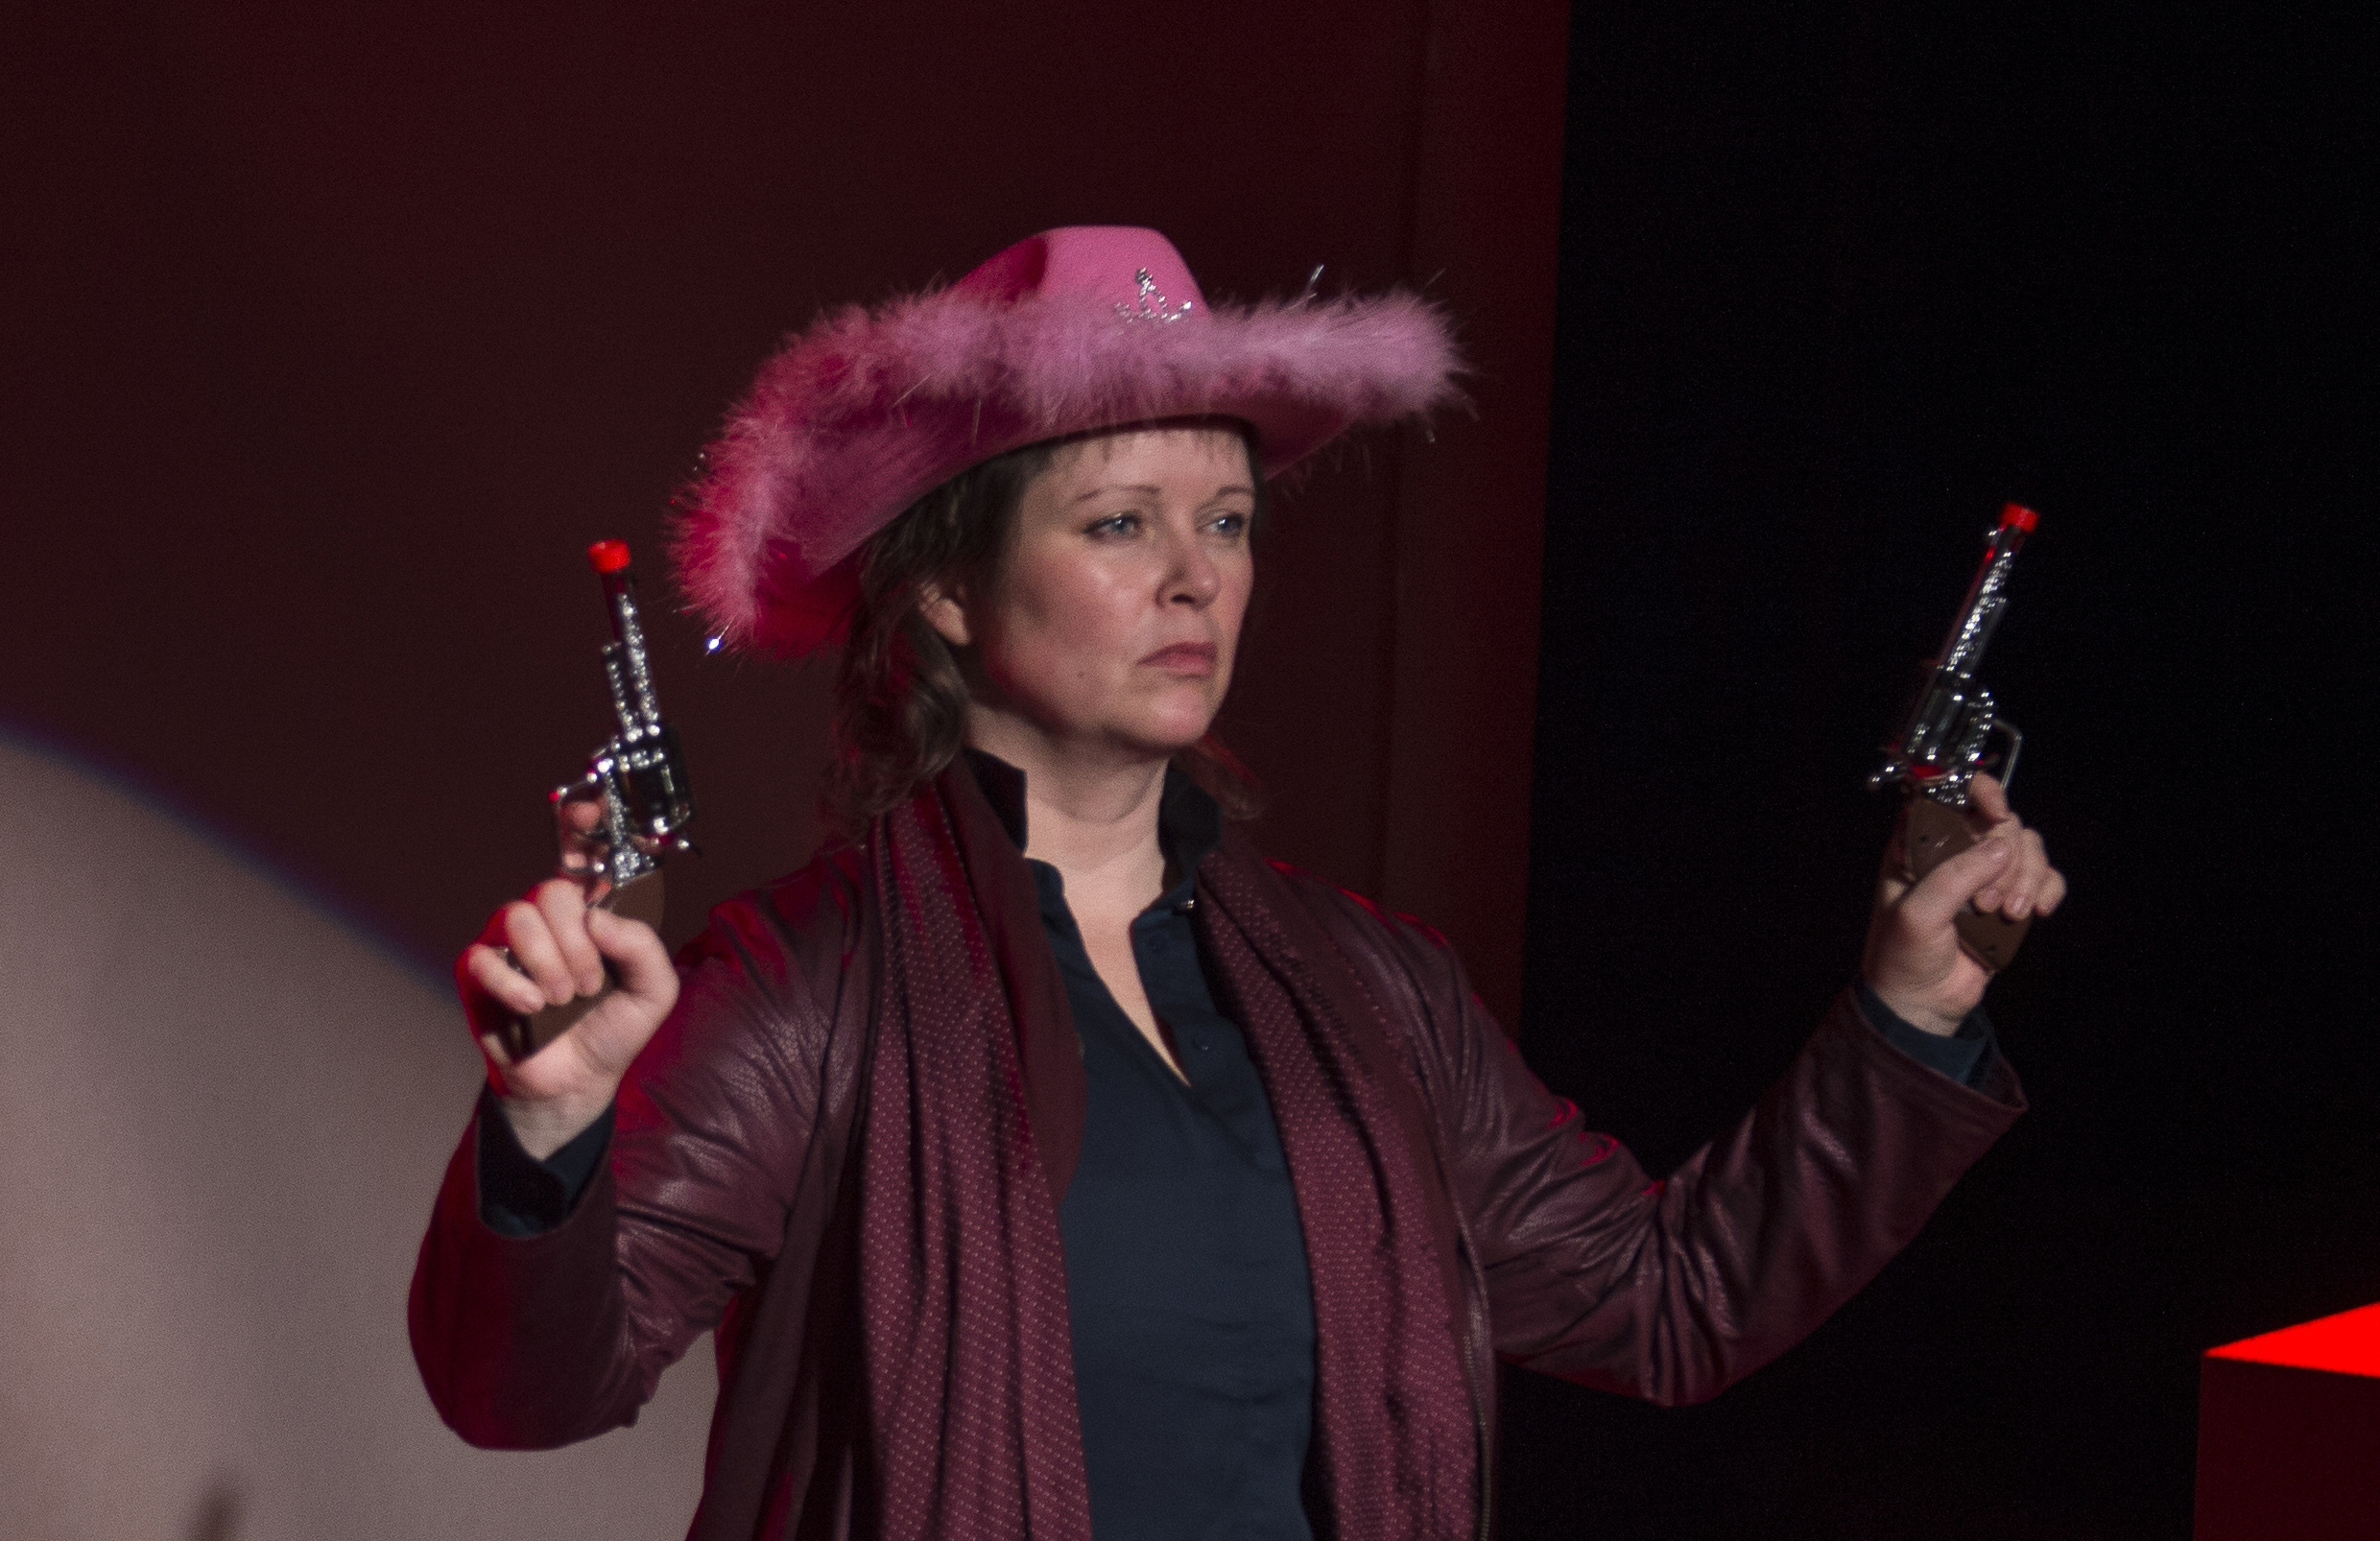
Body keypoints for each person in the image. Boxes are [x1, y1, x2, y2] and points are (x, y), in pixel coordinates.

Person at [411, 226, 2064, 1541]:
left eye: (1226, 518)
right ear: (949, 593)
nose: (1196, 576)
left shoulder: (1376, 990)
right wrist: (548, 1131)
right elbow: (527, 1390)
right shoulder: (807, 984)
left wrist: (1907, 1014)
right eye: (1120, 524)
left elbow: (1666, 1300)